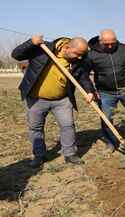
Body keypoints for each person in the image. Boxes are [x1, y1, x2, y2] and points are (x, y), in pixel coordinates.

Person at [11, 35, 95, 168]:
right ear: (67, 47)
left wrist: (89, 91)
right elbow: (16, 55)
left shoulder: (79, 59)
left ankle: (70, 154)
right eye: (77, 54)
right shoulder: (43, 48)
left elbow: (83, 77)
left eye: (82, 55)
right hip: (35, 99)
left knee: (68, 126)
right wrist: (31, 42)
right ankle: (39, 156)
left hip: (62, 100)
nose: (79, 57)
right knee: (35, 128)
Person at [86, 29, 125, 150]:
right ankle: (111, 142)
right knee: (106, 118)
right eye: (107, 44)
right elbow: (84, 75)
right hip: (105, 92)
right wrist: (91, 90)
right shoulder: (91, 54)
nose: (110, 46)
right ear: (100, 41)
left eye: (113, 43)